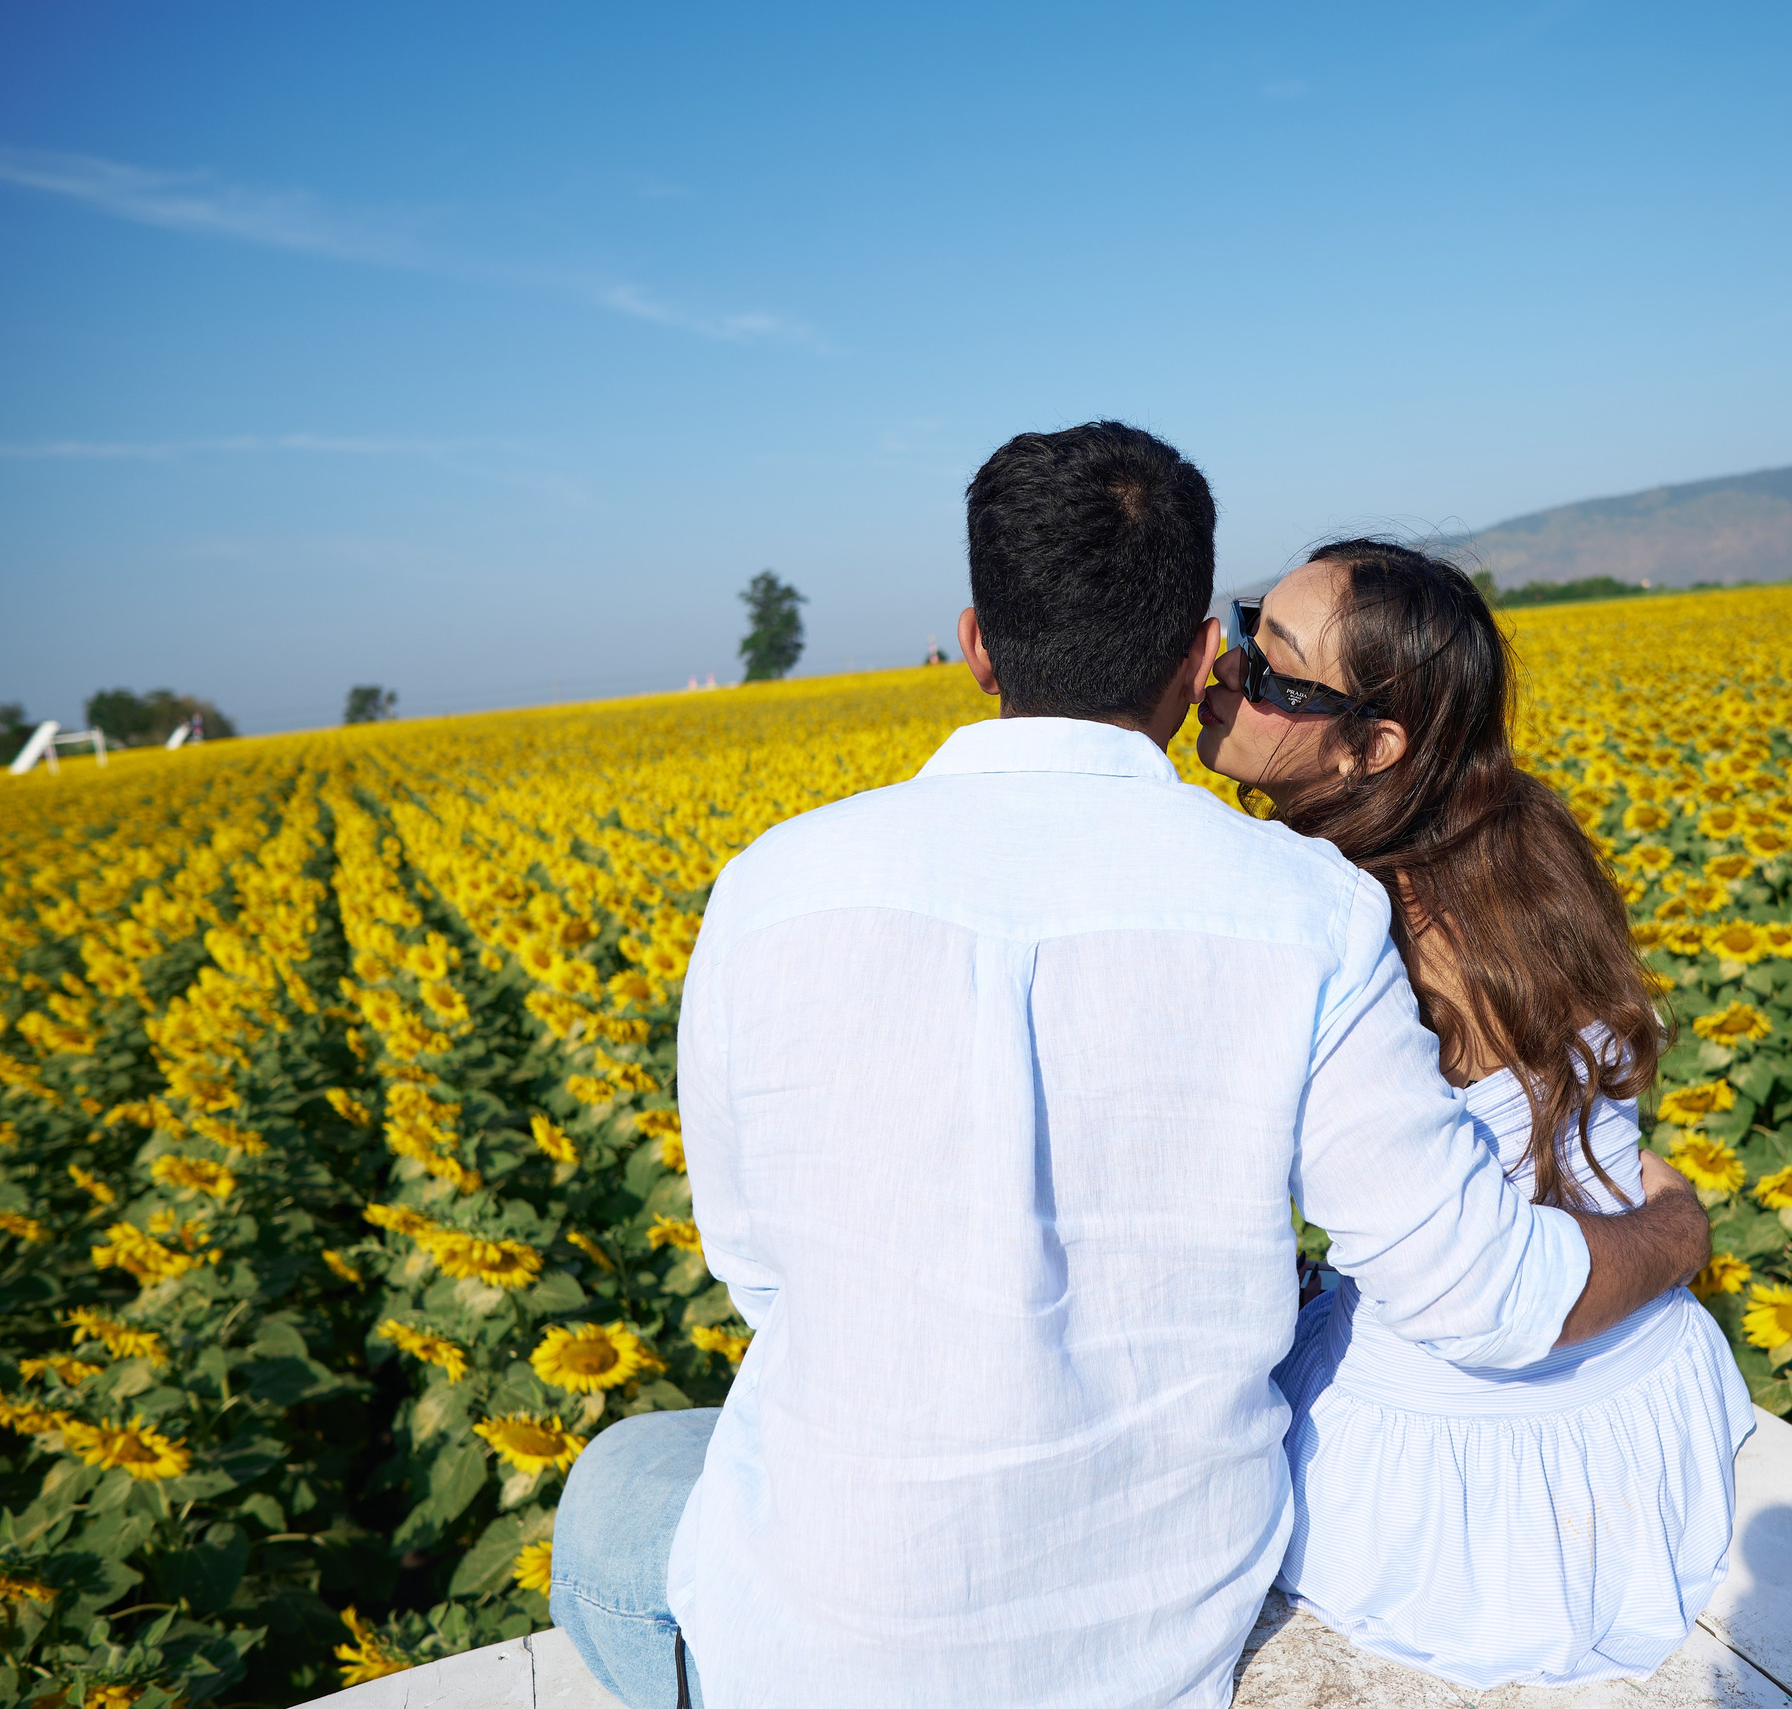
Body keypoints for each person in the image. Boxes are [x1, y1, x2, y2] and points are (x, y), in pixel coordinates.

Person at [545, 422, 1710, 1709]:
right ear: (1199, 651)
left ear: (976, 640)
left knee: (623, 1479)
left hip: (839, 1649)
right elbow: (1476, 1280)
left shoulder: (769, 886)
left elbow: (759, 1265)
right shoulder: (1311, 908)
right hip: (1156, 1632)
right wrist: (1670, 1227)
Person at [1193, 539, 1754, 1689]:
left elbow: (1476, 1297)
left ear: (1372, 745)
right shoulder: (1527, 838)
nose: (1225, 665)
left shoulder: (1333, 912)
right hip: (1648, 1408)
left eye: (1273, 666)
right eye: (1246, 622)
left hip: (1468, 1493)